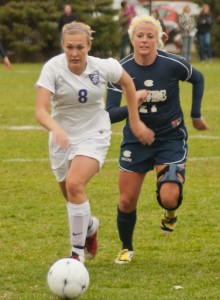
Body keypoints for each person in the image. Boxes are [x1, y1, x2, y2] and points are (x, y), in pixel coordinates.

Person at [35, 21, 150, 264]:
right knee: (70, 196)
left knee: (76, 185)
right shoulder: (52, 68)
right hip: (61, 138)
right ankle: (89, 227)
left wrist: (135, 120)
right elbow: (40, 111)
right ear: (62, 46)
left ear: (89, 46)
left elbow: (128, 83)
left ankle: (76, 255)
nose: (74, 53)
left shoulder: (103, 66)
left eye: (79, 47)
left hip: (94, 134)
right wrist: (56, 128)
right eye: (69, 47)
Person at [106, 15, 209, 264]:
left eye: (150, 36)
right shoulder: (120, 71)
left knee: (170, 196)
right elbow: (109, 115)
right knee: (127, 200)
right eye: (139, 36)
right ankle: (126, 247)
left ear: (159, 39)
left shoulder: (172, 64)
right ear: (131, 38)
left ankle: (169, 212)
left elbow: (199, 78)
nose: (144, 40)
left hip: (170, 137)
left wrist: (196, 114)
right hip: (135, 141)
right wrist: (134, 101)